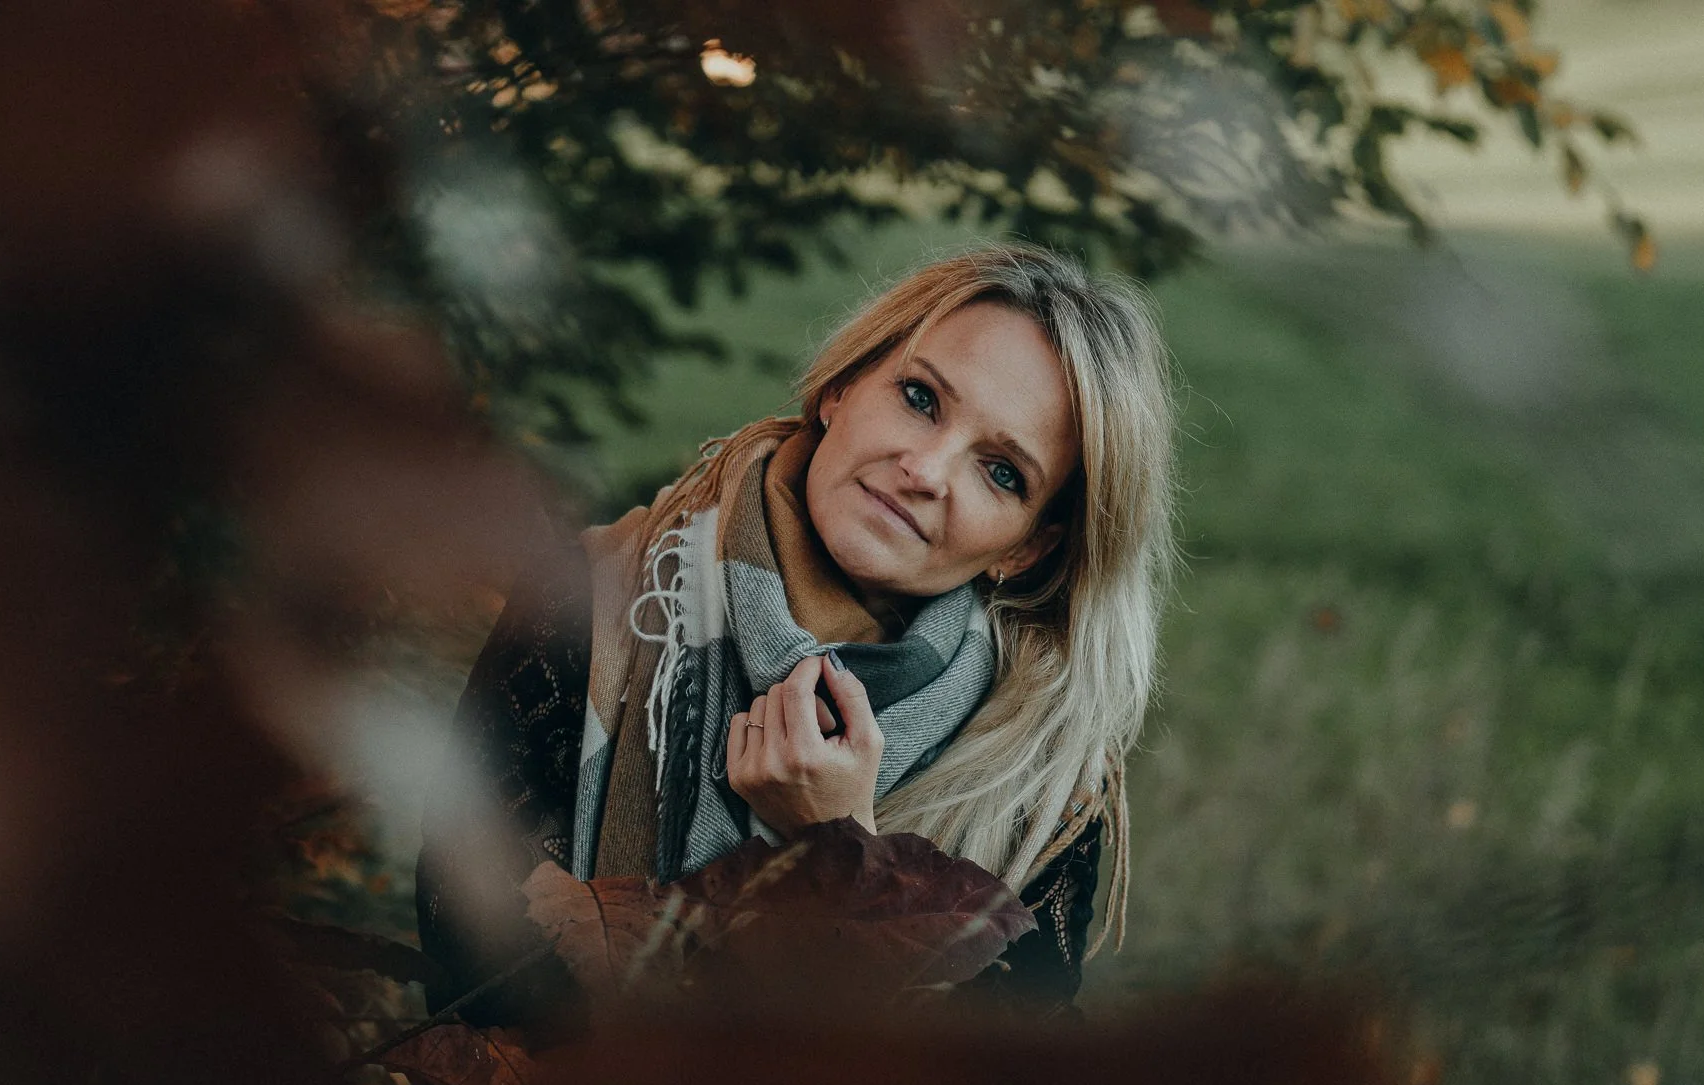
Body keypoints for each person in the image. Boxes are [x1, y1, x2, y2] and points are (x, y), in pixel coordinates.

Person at [415, 241, 1177, 1028]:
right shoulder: (590, 603)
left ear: (1026, 547)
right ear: (842, 387)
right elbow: (469, 954)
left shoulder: (1037, 772)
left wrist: (841, 856)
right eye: (920, 397)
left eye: (1002, 471)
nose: (926, 468)